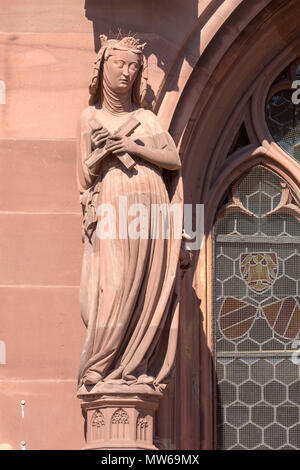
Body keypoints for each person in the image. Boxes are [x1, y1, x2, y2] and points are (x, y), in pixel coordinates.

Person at [76, 35, 183, 395]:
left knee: (146, 288)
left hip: (150, 207)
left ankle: (133, 365)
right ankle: (103, 364)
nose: (127, 72)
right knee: (116, 282)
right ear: (103, 66)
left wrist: (134, 147)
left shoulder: (146, 119)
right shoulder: (90, 118)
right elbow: (85, 177)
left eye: (134, 67)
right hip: (114, 206)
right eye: (120, 64)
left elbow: (174, 160)